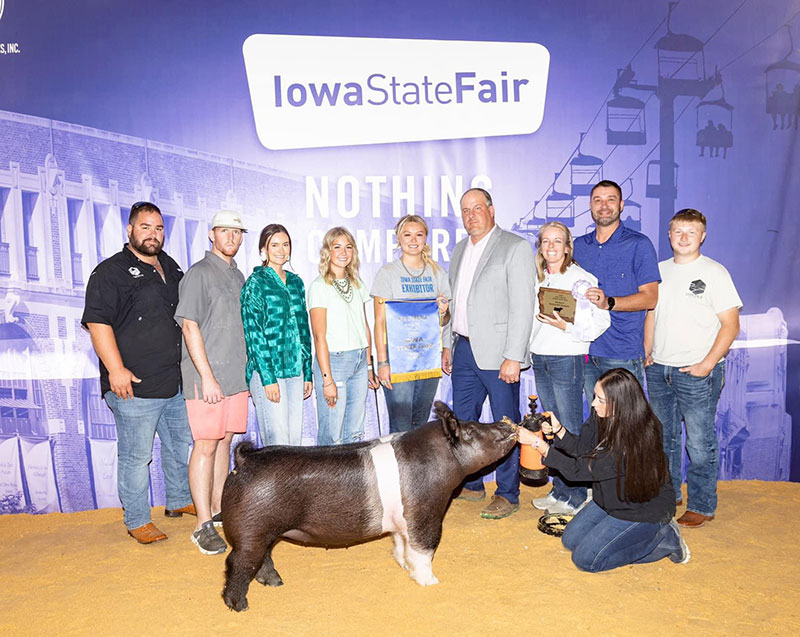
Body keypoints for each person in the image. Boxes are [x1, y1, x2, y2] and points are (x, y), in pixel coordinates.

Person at [82, 201, 193, 544]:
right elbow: (97, 322)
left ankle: (178, 501)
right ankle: (136, 519)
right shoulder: (110, 272)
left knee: (178, 446)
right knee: (136, 456)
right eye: (145, 227)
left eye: (158, 228)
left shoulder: (171, 267)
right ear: (129, 230)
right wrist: (115, 369)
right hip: (133, 385)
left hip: (173, 382)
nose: (153, 234)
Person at [519, 368, 690, 572]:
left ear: (619, 404)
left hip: (641, 509)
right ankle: (621, 531)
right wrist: (558, 430)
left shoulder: (633, 440)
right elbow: (582, 448)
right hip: (610, 499)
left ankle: (663, 540)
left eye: (600, 400)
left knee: (586, 560)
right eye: (595, 397)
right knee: (570, 540)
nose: (593, 404)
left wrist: (539, 445)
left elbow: (577, 471)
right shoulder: (601, 415)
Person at [644, 209, 741, 529]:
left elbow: (730, 324)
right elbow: (651, 315)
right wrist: (648, 352)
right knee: (663, 438)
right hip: (660, 369)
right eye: (677, 232)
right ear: (669, 235)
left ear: (702, 236)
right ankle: (667, 496)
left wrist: (707, 364)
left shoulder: (715, 273)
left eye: (691, 232)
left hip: (697, 371)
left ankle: (702, 504)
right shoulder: (658, 271)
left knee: (699, 442)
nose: (683, 237)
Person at [442, 188, 535, 519]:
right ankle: (473, 483)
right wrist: (447, 343)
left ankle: (508, 493)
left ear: (492, 211)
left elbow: (524, 306)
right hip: (464, 347)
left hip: (499, 355)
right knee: (463, 423)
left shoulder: (515, 247)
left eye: (477, 208)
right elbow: (453, 303)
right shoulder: (458, 250)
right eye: (465, 210)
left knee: (504, 425)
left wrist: (514, 355)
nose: (471, 215)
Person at [174, 210, 249, 555]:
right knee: (205, 443)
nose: (231, 237)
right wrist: (206, 377)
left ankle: (218, 509)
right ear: (211, 235)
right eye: (225, 231)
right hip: (208, 379)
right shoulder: (199, 274)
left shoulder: (238, 275)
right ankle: (202, 523)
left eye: (237, 232)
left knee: (224, 441)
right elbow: (189, 326)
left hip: (236, 376)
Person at [528, 221, 610, 516]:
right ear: (540, 247)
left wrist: (569, 326)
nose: (551, 247)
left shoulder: (582, 279)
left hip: (567, 357)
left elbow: (602, 322)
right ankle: (561, 488)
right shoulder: (536, 280)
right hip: (541, 357)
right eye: (545, 241)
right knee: (551, 425)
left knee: (570, 427)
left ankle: (577, 494)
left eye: (557, 241)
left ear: (567, 247)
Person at [573, 180, 660, 399]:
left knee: (628, 426)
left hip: (622, 353)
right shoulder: (578, 246)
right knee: (597, 424)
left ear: (621, 205)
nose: (604, 205)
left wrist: (609, 302)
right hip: (584, 351)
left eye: (610, 199)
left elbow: (650, 299)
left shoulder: (639, 244)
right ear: (590, 206)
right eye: (597, 200)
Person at [371, 215, 451, 433]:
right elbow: (379, 321)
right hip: (398, 361)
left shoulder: (438, 273)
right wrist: (382, 362)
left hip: (428, 358)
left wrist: (446, 344)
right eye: (407, 234)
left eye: (419, 234)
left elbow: (445, 319)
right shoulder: (387, 273)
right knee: (400, 426)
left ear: (426, 238)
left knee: (421, 425)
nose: (413, 240)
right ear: (399, 238)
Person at [241, 224, 312, 447]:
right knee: (276, 445)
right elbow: (254, 334)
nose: (281, 250)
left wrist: (307, 372)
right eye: (275, 245)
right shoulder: (256, 283)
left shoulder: (296, 282)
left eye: (285, 244)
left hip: (295, 370)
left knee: (294, 446)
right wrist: (267, 379)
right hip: (268, 373)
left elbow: (304, 330)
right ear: (264, 249)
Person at [308, 227, 378, 445]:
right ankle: (324, 480)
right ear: (328, 251)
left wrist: (368, 366)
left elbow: (364, 325)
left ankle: (351, 479)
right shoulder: (319, 287)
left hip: (358, 361)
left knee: (355, 433)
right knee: (332, 435)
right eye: (337, 246)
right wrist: (327, 380)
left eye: (348, 247)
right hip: (334, 361)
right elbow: (319, 336)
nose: (343, 252)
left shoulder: (357, 284)